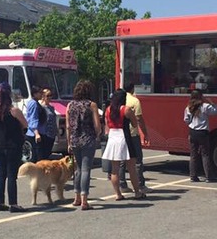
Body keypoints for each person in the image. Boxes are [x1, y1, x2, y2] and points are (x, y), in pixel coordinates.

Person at [0, 82, 28, 213]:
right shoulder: (14, 111)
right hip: (11, 145)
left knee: (1, 174)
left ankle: (0, 202)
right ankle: (13, 204)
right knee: (12, 174)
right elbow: (25, 124)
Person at [102, 89, 145, 200]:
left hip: (113, 137)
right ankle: (137, 192)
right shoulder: (126, 109)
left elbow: (107, 124)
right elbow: (134, 124)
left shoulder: (108, 109)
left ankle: (118, 194)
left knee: (115, 169)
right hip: (125, 137)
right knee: (131, 167)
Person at [66, 80, 102, 211]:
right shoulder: (91, 105)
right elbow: (97, 125)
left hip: (75, 140)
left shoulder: (70, 105)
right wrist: (97, 134)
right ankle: (84, 200)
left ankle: (76, 198)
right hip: (87, 140)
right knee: (86, 169)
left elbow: (68, 126)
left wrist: (69, 142)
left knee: (78, 169)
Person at [184, 90, 217, 182]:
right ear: (201, 96)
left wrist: (191, 124)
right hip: (202, 132)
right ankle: (209, 176)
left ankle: (193, 176)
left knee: (193, 155)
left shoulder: (188, 107)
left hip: (193, 132)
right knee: (205, 154)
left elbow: (186, 120)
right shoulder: (205, 106)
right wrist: (212, 102)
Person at [119, 82, 150, 192]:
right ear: (132, 89)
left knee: (122, 160)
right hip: (132, 133)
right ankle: (140, 184)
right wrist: (145, 133)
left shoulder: (119, 100)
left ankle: (122, 184)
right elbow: (139, 119)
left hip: (121, 133)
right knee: (137, 160)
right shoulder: (135, 101)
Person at [25, 85, 47, 162]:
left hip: (38, 132)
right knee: (38, 157)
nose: (41, 94)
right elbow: (33, 119)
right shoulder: (34, 104)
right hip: (34, 134)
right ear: (34, 94)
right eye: (39, 93)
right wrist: (37, 133)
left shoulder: (35, 103)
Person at [39, 87, 58, 159]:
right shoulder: (41, 107)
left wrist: (57, 132)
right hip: (45, 133)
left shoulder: (51, 107)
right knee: (44, 153)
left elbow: (54, 119)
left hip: (52, 133)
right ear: (43, 97)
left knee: (48, 152)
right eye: (48, 96)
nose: (50, 97)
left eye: (51, 95)